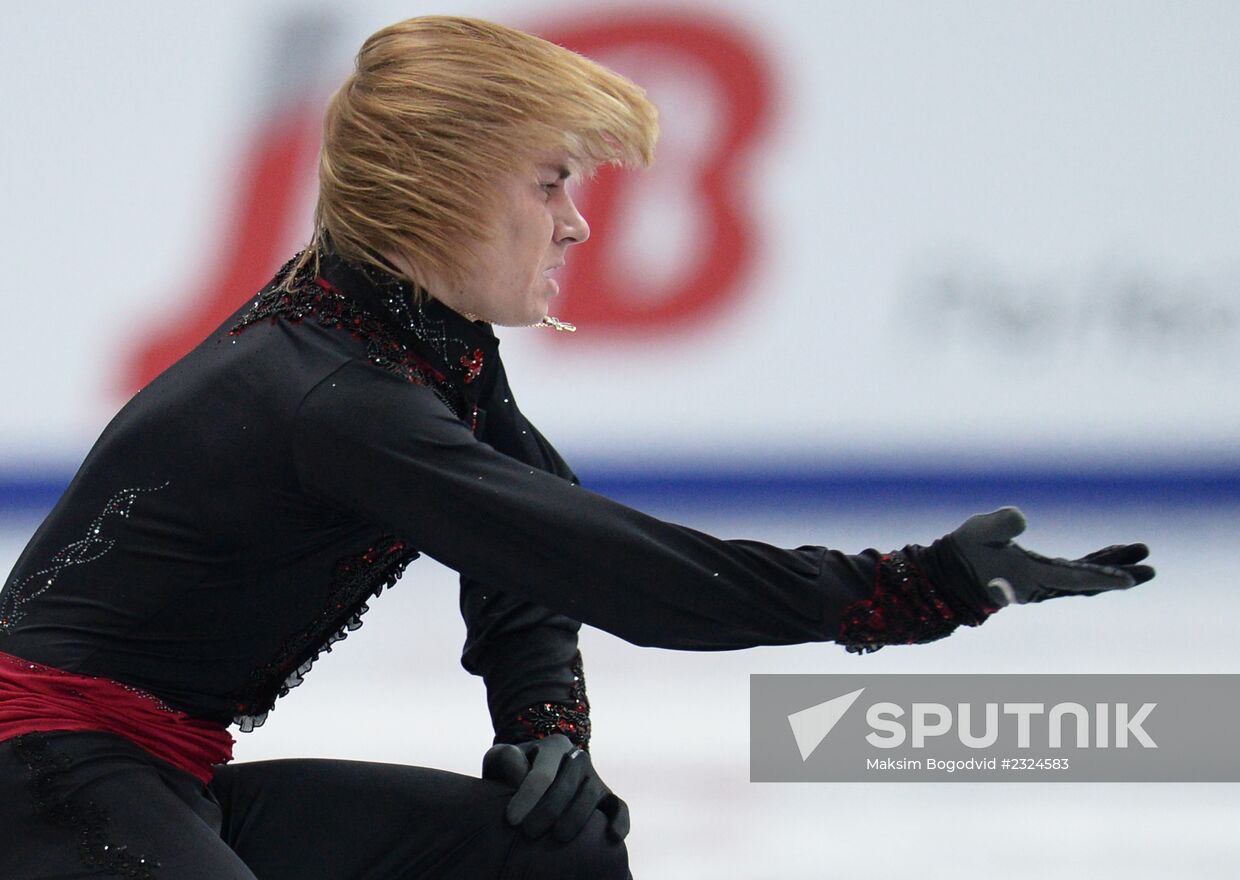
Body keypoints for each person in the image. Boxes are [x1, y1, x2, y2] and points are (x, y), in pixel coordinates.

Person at [0, 15, 1154, 880]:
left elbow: (522, 541)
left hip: (155, 777)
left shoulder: (406, 340)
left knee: (549, 850)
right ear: (438, 187)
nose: (577, 221)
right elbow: (615, 568)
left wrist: (541, 723)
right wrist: (912, 589)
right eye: (550, 180)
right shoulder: (338, 395)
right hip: (41, 786)